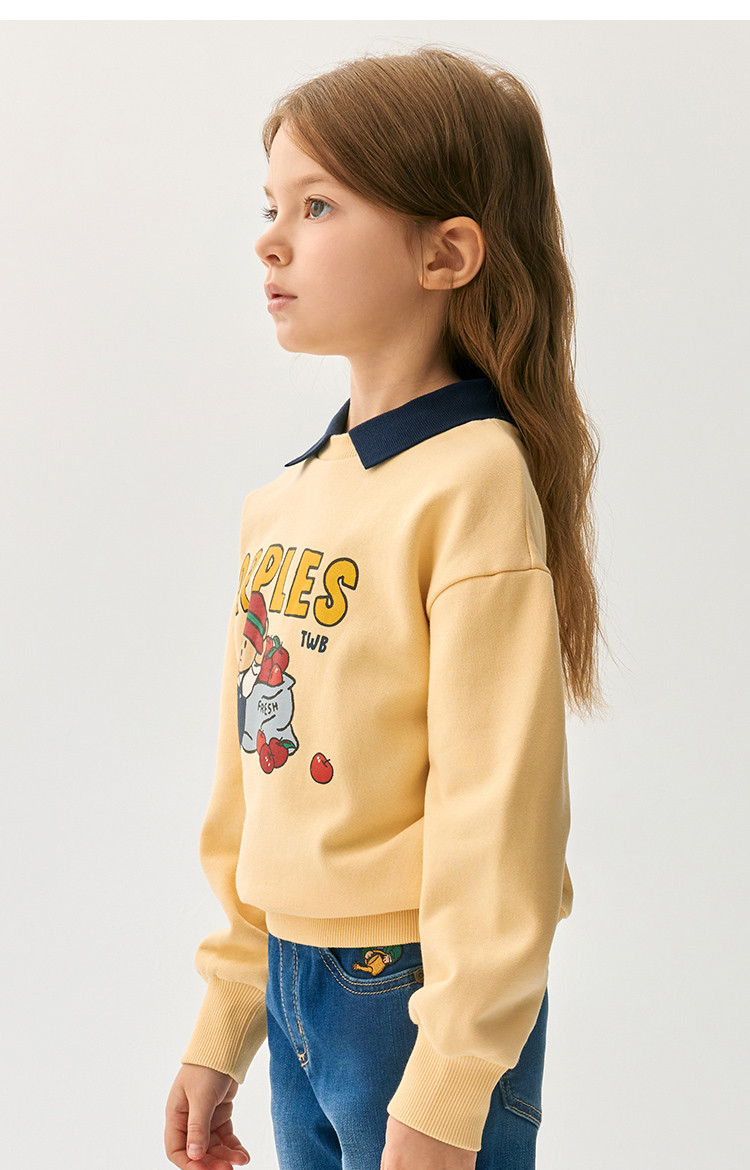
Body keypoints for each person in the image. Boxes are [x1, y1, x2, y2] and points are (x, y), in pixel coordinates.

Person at [164, 44, 607, 1170]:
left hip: (410, 996)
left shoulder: (472, 482)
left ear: (444, 252)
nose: (271, 240)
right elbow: (252, 779)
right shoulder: (283, 502)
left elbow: (499, 812)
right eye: (270, 206)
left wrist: (451, 1082)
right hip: (294, 981)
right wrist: (230, 1011)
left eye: (317, 206)